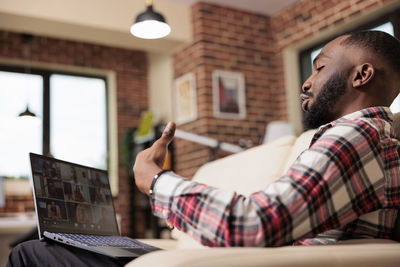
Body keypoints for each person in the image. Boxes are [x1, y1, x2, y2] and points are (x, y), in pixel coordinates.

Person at [6, 30, 400, 265]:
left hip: (258, 260)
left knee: (30, 255)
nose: (306, 82)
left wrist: (156, 181)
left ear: (361, 74)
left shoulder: (356, 135)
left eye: (319, 67)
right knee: (50, 245)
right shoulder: (363, 138)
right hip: (251, 257)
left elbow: (256, 223)